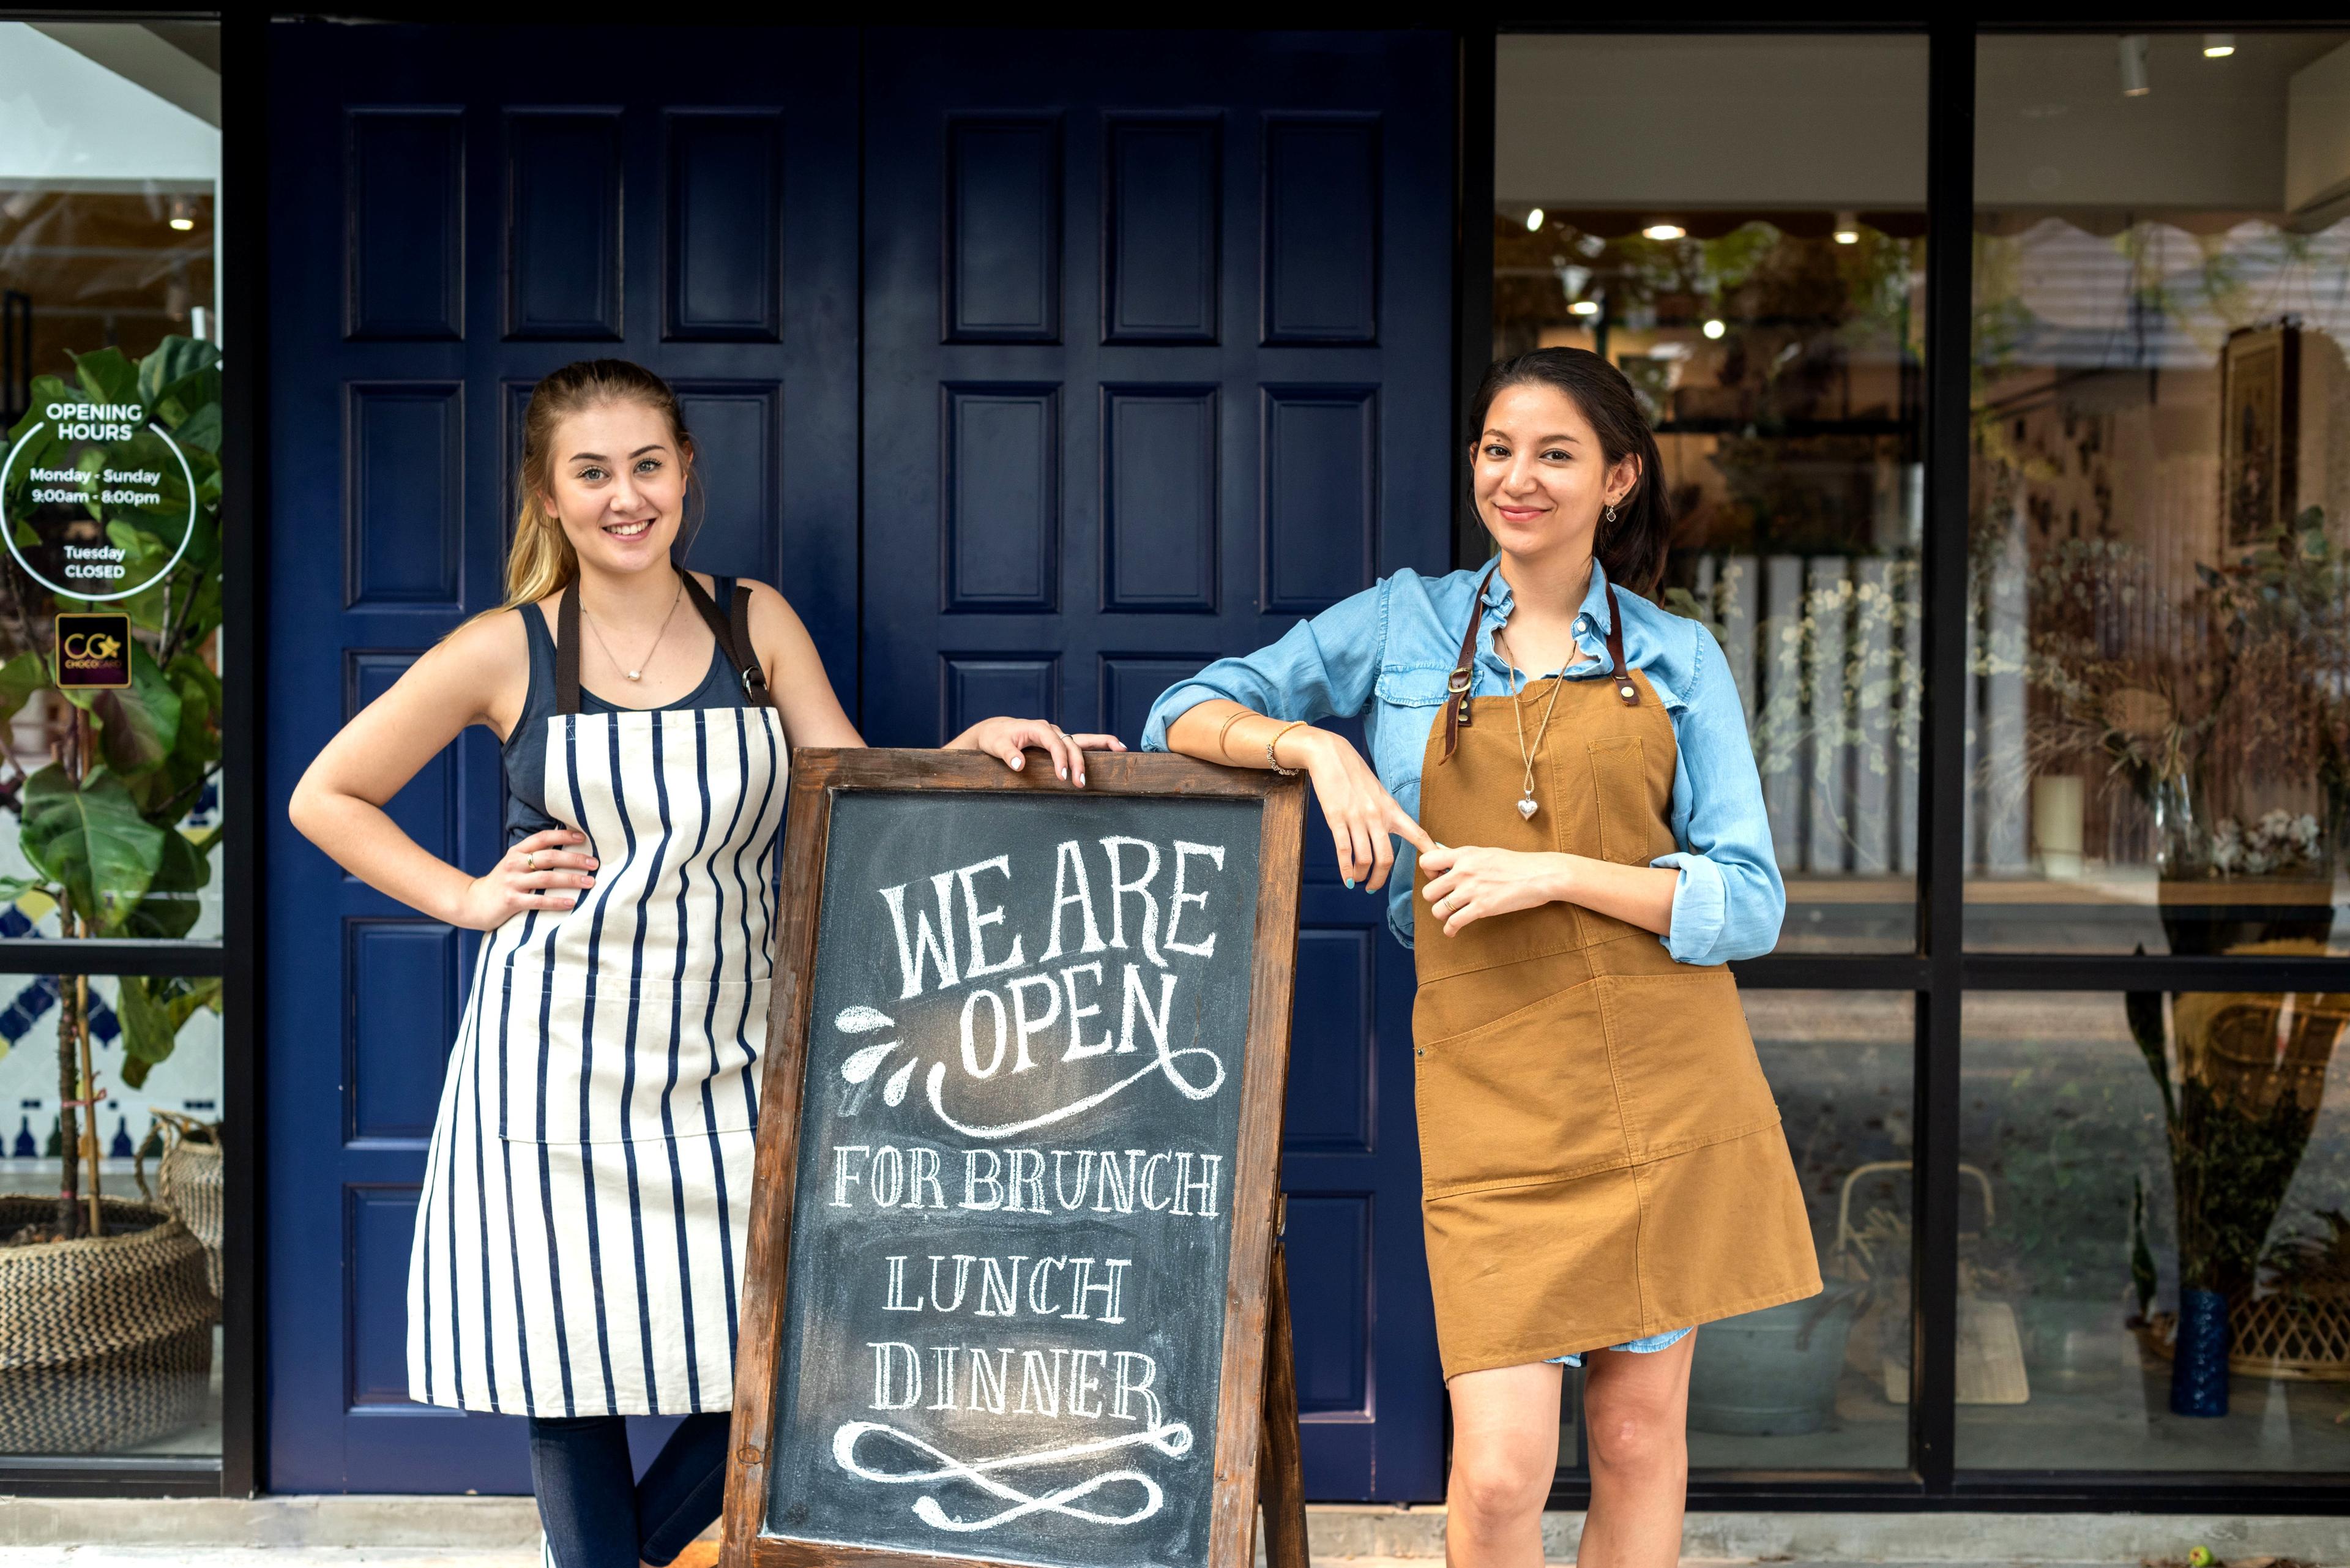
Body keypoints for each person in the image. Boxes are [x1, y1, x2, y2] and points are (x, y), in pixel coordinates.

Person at [288, 358, 1121, 1568]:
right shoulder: (507, 649)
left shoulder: (752, 622)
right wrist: (467, 898)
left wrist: (969, 748)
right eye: (593, 472)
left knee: (780, 1360)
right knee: (570, 1379)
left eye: (648, 466)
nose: (626, 496)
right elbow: (329, 794)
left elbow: (853, 793)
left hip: (731, 1062)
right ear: (550, 494)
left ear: (685, 475)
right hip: (554, 1074)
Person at [1143, 347, 1818, 1568]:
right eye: (1500, 450)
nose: (1520, 478)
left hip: (1662, 1080)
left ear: (1618, 479)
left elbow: (1752, 900)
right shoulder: (1405, 626)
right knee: (1501, 1471)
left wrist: (1555, 872)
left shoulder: (1679, 658)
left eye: (1557, 455)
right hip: (1490, 1089)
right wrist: (1313, 748)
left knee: (1631, 1439)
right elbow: (1181, 713)